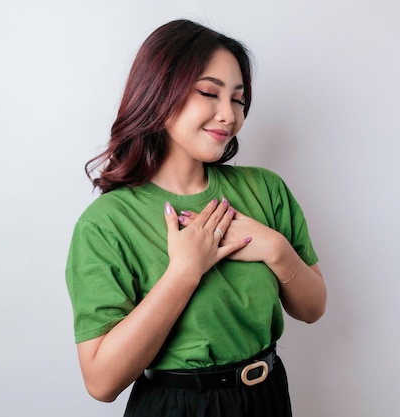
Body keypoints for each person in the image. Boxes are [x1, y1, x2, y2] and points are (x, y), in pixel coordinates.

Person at [65, 19, 327, 417]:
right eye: (209, 93)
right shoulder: (106, 223)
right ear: (159, 92)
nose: (229, 115)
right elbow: (101, 382)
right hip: (177, 407)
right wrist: (185, 271)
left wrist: (276, 249)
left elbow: (313, 308)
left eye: (238, 100)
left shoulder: (266, 190)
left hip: (268, 398)